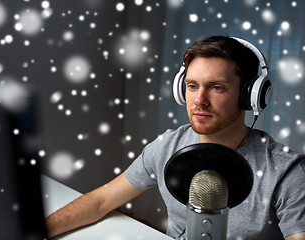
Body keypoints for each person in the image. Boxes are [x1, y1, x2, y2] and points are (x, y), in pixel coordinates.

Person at [45, 35, 305, 240]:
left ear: (249, 95)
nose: (199, 101)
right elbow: (101, 201)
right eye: (192, 86)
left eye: (217, 88)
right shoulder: (169, 147)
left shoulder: (286, 173)